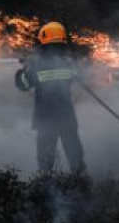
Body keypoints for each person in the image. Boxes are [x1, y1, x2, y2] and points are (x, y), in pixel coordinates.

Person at [15, 21, 86, 174]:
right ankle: (83, 187)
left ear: (44, 42)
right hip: (67, 117)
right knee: (75, 157)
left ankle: (46, 191)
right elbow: (79, 76)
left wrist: (23, 69)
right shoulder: (68, 63)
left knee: (45, 163)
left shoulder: (37, 65)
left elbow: (23, 85)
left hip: (46, 118)